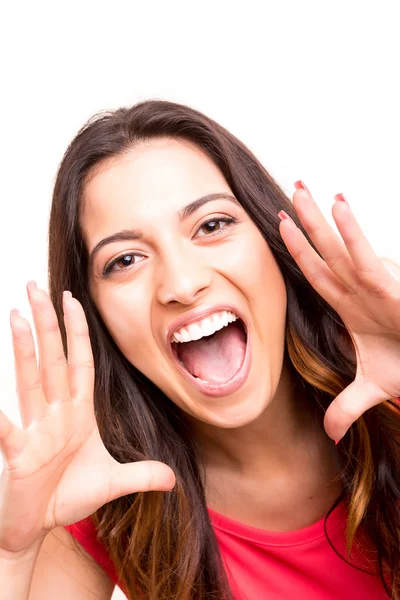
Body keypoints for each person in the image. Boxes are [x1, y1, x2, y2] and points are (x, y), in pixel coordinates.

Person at [1, 100, 400, 600]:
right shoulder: (96, 498)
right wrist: (10, 557)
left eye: (211, 225)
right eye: (125, 260)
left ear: (274, 242)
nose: (183, 284)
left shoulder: (391, 379)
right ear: (95, 315)